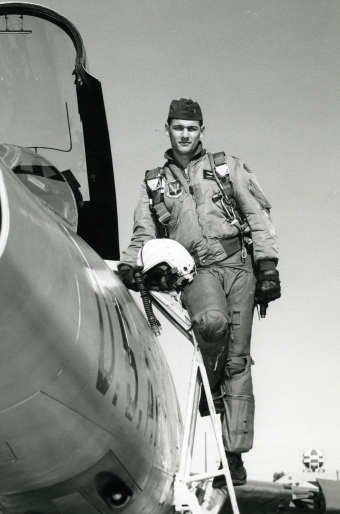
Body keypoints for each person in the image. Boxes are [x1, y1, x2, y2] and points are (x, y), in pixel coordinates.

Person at [116, 98, 280, 487]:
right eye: (178, 127)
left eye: (191, 128)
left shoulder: (227, 167)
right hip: (198, 270)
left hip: (238, 267)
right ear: (168, 130)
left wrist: (268, 267)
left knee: (238, 361)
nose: (185, 134)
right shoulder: (154, 181)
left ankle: (233, 456)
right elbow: (144, 231)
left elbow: (257, 215)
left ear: (201, 131)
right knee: (211, 323)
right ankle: (214, 390)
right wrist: (130, 262)